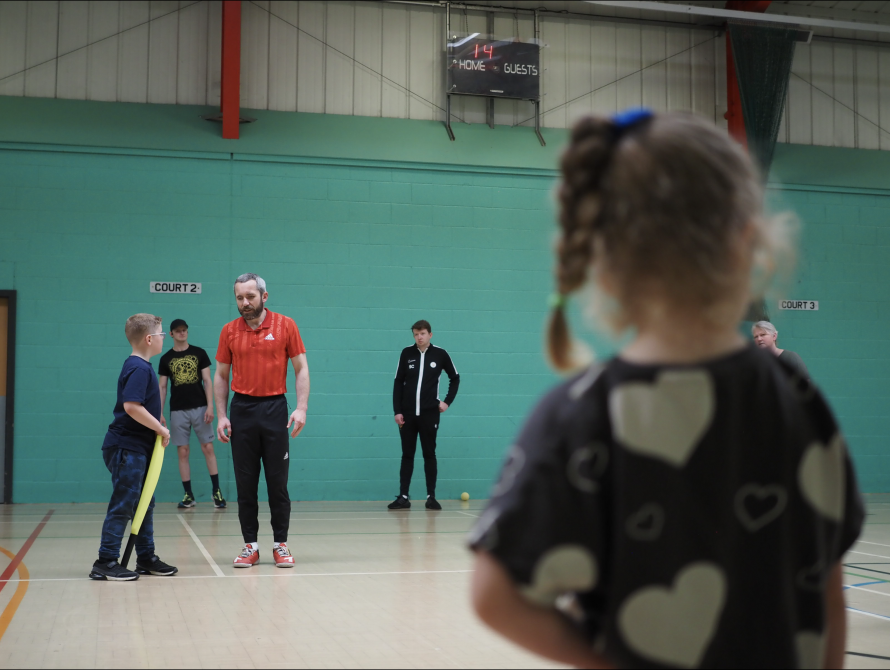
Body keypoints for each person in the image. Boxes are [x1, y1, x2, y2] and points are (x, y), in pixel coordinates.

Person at [468, 110, 863, 668]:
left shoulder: (582, 413)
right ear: (749, 246)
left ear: (604, 266)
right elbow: (828, 591)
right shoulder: (798, 400)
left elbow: (494, 594)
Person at [214, 273, 309, 568]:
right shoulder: (229, 331)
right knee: (245, 483)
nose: (244, 303)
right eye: (240, 298)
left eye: (250, 297)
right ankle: (250, 546)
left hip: (275, 410)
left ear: (264, 297)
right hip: (241, 410)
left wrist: (301, 407)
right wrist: (221, 415)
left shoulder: (286, 325)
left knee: (277, 483)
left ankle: (280, 544)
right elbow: (220, 375)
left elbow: (301, 368)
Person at [90, 314, 178, 581]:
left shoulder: (141, 366)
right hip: (126, 448)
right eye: (162, 334)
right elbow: (131, 406)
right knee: (125, 504)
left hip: (137, 448)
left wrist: (156, 419)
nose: (165, 338)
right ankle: (105, 561)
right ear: (149, 339)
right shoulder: (139, 368)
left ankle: (146, 557)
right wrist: (161, 429)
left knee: (143, 504)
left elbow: (141, 405)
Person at [389, 320, 460, 511]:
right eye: (415, 334)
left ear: (430, 334)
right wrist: (398, 411)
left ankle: (431, 497)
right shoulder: (406, 353)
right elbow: (398, 383)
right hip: (408, 416)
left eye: (422, 334)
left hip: (430, 415)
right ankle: (403, 496)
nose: (419, 337)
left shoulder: (441, 354)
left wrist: (446, 402)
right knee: (407, 455)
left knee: (429, 454)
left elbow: (455, 378)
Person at [158, 318, 226, 509]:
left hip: (200, 409)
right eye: (178, 331)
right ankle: (188, 494)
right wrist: (159, 412)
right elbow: (162, 387)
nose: (182, 333)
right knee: (183, 451)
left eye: (184, 330)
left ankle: (216, 492)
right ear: (171, 334)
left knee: (208, 448)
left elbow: (207, 381)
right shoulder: (166, 359)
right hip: (177, 411)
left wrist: (210, 406)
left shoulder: (199, 353)